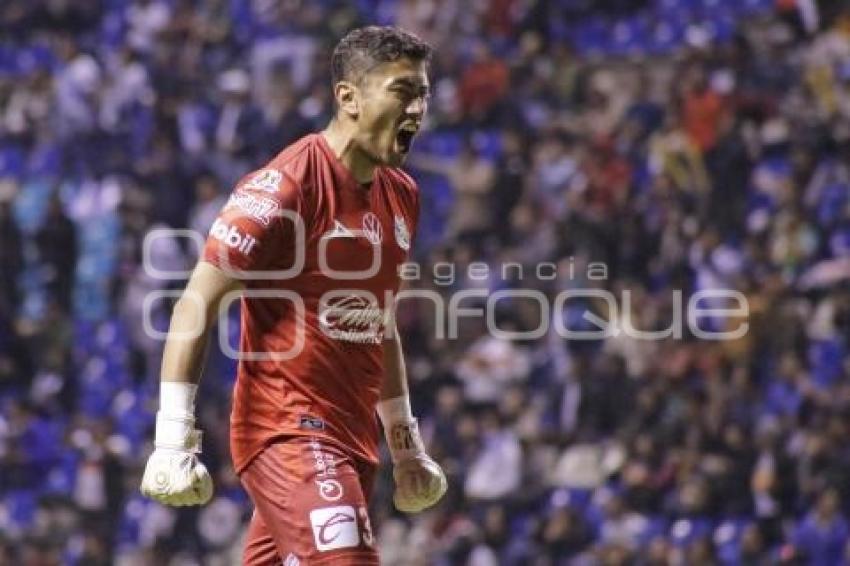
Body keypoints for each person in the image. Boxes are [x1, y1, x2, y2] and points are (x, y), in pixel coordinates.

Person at [139, 26, 447, 565]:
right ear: (348, 97)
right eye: (402, 90)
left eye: (423, 92)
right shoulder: (284, 186)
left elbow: (379, 319)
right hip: (288, 432)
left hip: (352, 441)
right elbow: (197, 301)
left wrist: (404, 441)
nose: (418, 106)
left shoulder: (403, 196)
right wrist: (172, 437)